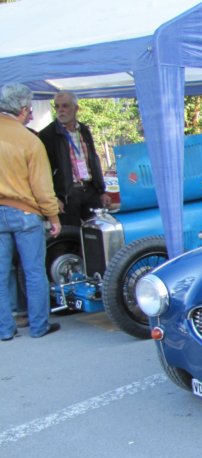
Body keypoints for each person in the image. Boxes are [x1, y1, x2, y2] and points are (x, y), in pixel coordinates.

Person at [0, 83, 62, 340]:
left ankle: (5, 330)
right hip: (25, 213)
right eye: (30, 110)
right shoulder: (29, 141)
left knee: (1, 276)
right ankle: (39, 327)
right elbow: (42, 186)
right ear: (23, 109)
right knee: (34, 271)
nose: (33, 116)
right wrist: (53, 216)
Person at [38, 91, 111, 227]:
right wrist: (54, 198)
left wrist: (101, 191)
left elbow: (93, 160)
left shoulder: (83, 130)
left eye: (65, 106)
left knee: (99, 230)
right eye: (57, 106)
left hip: (89, 189)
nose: (60, 110)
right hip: (66, 194)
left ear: (76, 108)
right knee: (70, 236)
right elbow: (43, 171)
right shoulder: (47, 135)